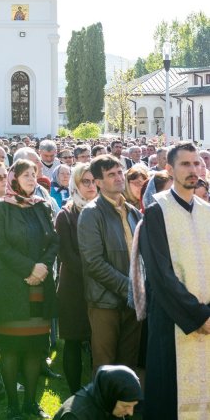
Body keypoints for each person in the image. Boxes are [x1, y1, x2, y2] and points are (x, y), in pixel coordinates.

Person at [136, 141, 210, 420]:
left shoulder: (207, 212)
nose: (193, 170)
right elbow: (160, 274)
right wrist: (198, 316)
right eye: (185, 164)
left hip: (208, 318)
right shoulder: (157, 212)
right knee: (170, 398)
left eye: (196, 163)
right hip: (172, 321)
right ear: (169, 169)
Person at [0, 160, 58, 419]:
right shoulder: (0, 208)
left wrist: (43, 267)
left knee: (34, 347)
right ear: (14, 178)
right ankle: (12, 406)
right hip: (12, 287)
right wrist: (30, 268)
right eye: (25, 174)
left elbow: (53, 241)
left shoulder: (42, 206)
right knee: (11, 349)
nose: (31, 178)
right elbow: (2, 246)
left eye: (34, 174)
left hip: (39, 287)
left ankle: (30, 402)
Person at [77, 155, 142, 372]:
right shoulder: (91, 213)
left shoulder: (132, 212)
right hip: (105, 301)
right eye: (111, 174)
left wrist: (138, 289)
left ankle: (125, 406)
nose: (118, 178)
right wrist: (128, 287)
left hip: (133, 302)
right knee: (105, 366)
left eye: (119, 172)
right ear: (98, 182)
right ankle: (101, 407)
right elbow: (93, 262)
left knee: (128, 365)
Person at [55, 164, 98, 394]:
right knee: (73, 341)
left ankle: (97, 390)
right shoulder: (66, 214)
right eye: (85, 182)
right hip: (74, 287)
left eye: (93, 181)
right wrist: (97, 271)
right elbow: (67, 255)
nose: (91, 186)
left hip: (101, 287)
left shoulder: (104, 210)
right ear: (76, 185)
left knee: (98, 342)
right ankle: (74, 394)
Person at [53, 365, 142, 419]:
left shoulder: (107, 404)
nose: (130, 412)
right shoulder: (76, 415)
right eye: (125, 406)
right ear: (111, 396)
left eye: (133, 406)